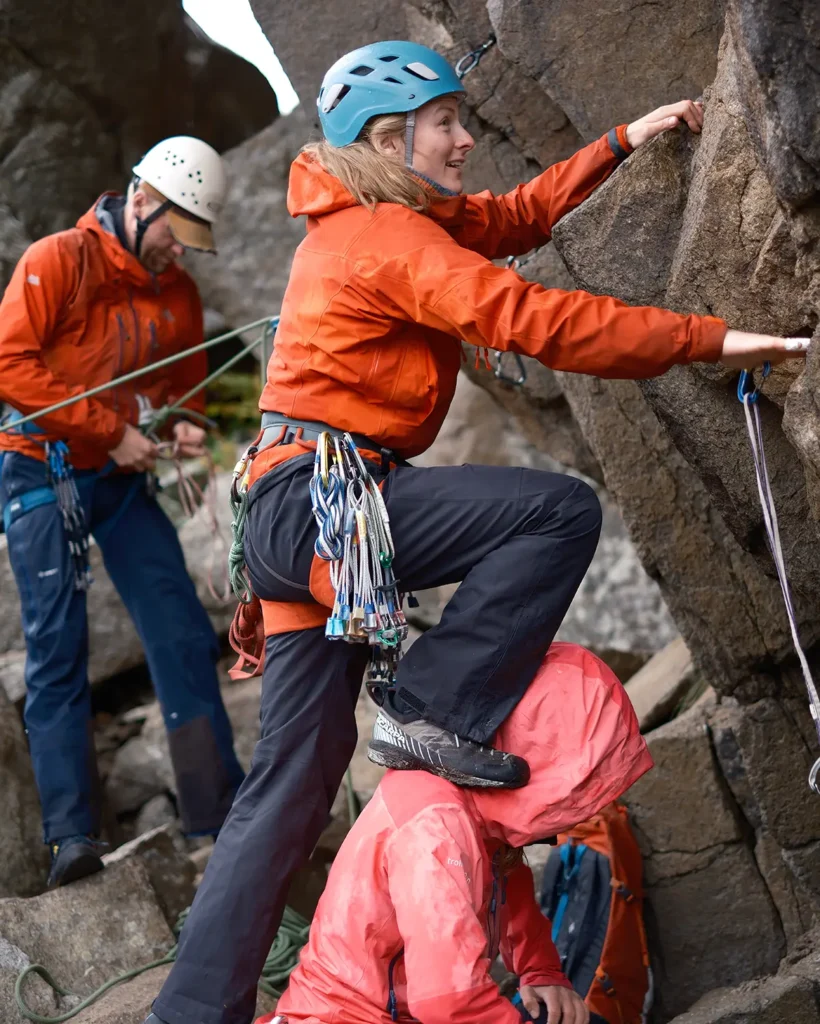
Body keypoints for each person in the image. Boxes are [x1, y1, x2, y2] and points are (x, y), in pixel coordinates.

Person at [146, 41, 809, 1024]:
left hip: (294, 516)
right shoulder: (381, 234)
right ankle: (434, 710)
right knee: (551, 513)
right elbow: (531, 316)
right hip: (327, 502)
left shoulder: (393, 221)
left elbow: (510, 221)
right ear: (386, 137)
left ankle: (189, 1011)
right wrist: (706, 337)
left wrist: (625, 138)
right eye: (445, 122)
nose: (464, 138)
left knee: (291, 782)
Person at [0, 136, 245, 889]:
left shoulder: (177, 291)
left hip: (118, 475)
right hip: (42, 469)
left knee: (176, 627)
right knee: (57, 647)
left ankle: (218, 813)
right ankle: (72, 837)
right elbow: (10, 363)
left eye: (192, 240)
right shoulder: (58, 259)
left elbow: (185, 387)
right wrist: (115, 432)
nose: (181, 251)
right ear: (143, 199)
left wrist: (184, 425)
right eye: (177, 231)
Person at [258, 643, 651, 1024]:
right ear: (543, 757)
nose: (580, 813)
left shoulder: (469, 798)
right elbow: (449, 1005)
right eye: (579, 791)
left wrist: (542, 970)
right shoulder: (435, 829)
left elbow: (507, 881)